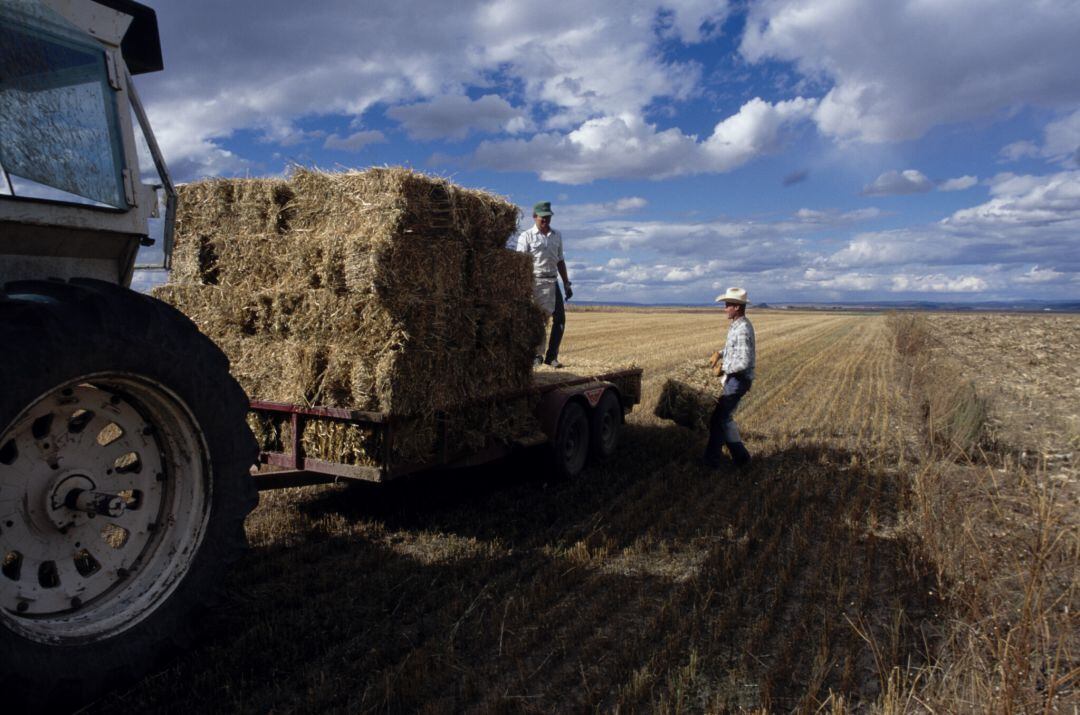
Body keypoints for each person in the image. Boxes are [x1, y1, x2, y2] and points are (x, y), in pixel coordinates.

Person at [703, 287, 755, 469]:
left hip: (738, 381)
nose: (725, 308)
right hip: (734, 379)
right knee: (723, 419)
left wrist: (723, 367)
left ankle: (711, 463)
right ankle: (742, 459)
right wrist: (720, 353)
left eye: (727, 305)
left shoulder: (742, 329)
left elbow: (744, 362)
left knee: (718, 419)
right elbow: (735, 351)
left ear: (737, 307)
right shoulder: (737, 325)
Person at [516, 201, 572, 368]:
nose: (546, 221)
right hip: (535, 281)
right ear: (534, 217)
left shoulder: (557, 235)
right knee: (539, 320)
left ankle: (551, 357)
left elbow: (560, 260)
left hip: (553, 281)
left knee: (560, 320)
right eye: (542, 218)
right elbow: (520, 263)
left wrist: (566, 283)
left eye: (548, 217)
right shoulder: (526, 236)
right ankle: (536, 355)